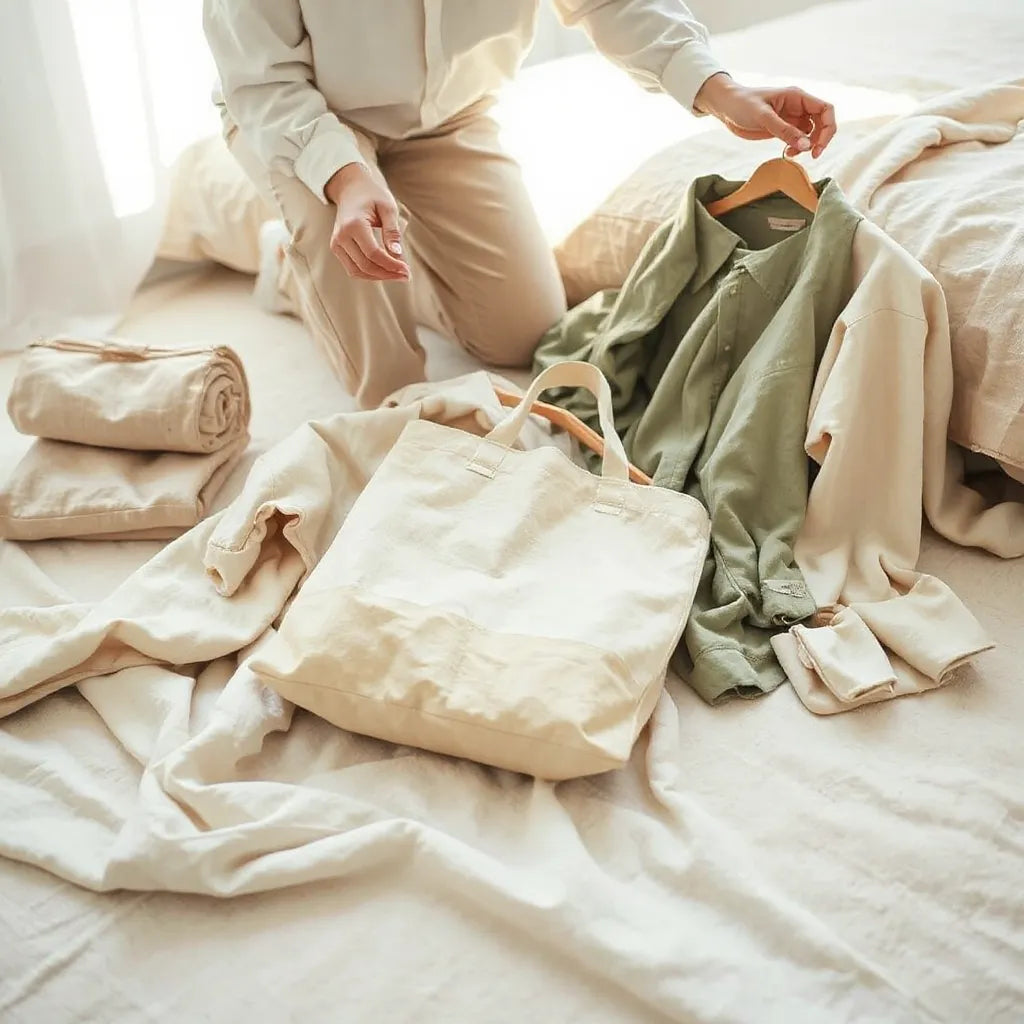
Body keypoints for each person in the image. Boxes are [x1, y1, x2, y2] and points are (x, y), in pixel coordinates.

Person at [203, 2, 837, 409]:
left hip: (450, 119)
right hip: (304, 121)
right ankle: (304, 263)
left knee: (522, 332)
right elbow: (263, 83)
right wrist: (342, 177)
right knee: (397, 390)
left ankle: (311, 267)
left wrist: (718, 89)